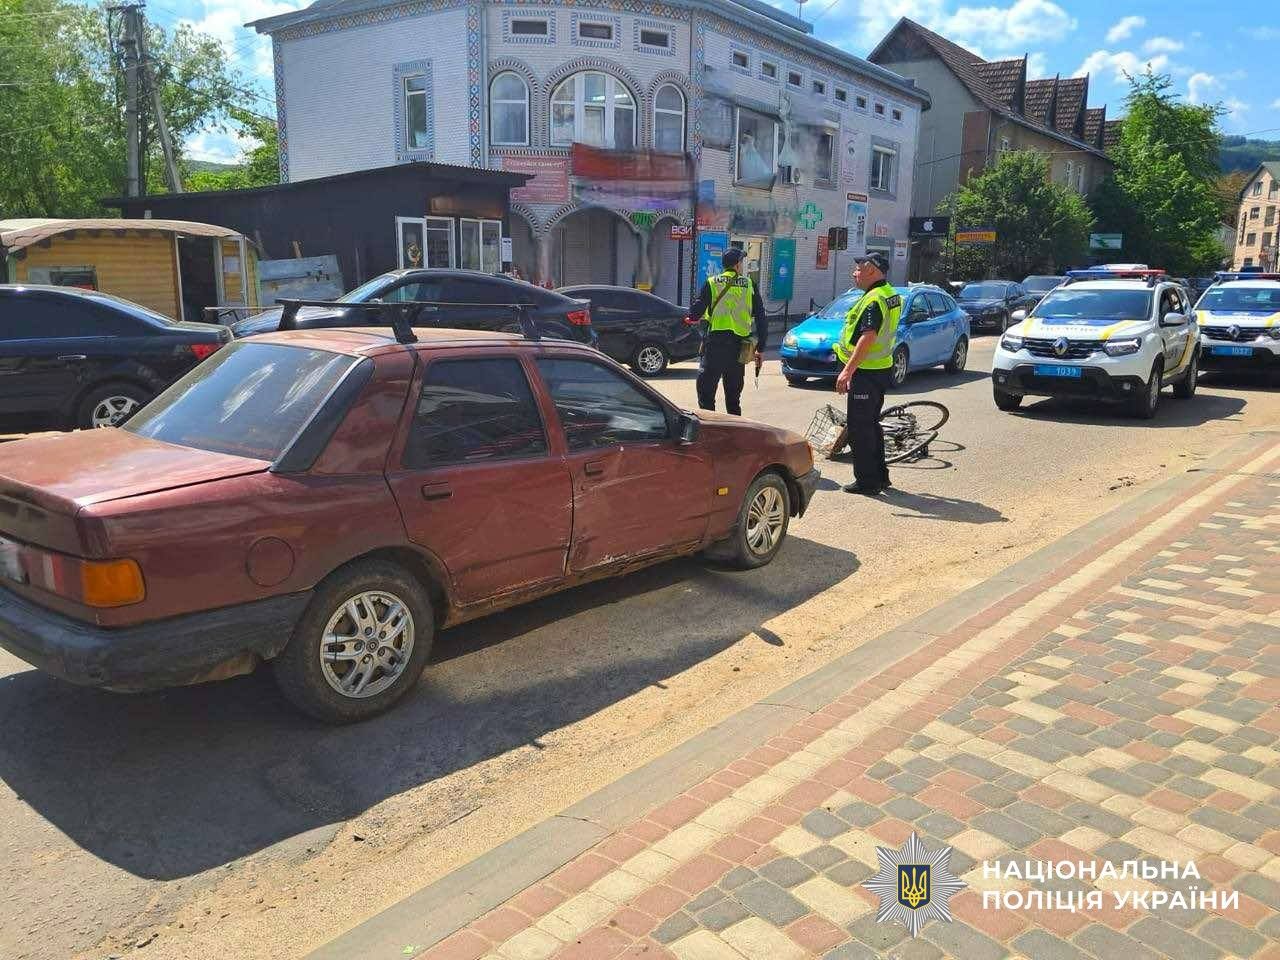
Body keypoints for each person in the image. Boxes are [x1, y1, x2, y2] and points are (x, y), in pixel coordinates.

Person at [834, 253, 902, 495]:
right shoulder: (890, 293)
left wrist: (847, 371)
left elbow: (868, 336)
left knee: (860, 428)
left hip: (867, 372)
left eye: (858, 269)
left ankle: (867, 482)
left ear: (872, 270)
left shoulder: (874, 299)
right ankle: (881, 476)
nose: (854, 273)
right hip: (880, 368)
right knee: (872, 425)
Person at [689, 248, 767, 416]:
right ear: (737, 264)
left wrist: (690, 316)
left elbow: (695, 313)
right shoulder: (749, 285)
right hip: (739, 349)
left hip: (715, 347)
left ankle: (711, 432)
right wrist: (760, 348)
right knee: (733, 399)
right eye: (742, 262)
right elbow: (761, 318)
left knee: (706, 395)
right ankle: (734, 435)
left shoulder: (712, 282)